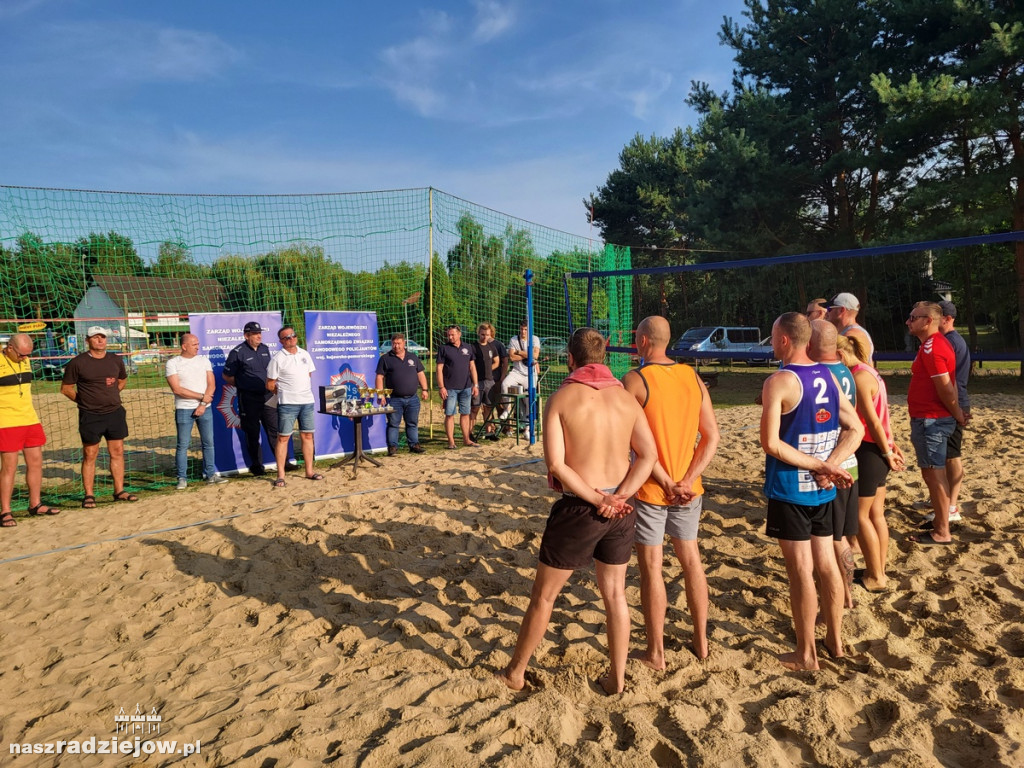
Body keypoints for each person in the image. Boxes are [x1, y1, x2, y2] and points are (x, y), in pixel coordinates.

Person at [495, 327, 658, 695]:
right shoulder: (626, 399)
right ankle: (616, 678)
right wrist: (620, 497)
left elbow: (557, 465)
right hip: (621, 506)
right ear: (603, 358)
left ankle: (515, 673)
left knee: (545, 596)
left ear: (570, 358)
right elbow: (648, 456)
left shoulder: (562, 398)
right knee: (615, 595)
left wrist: (599, 500)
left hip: (582, 507)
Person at [759, 312, 863, 670]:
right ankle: (834, 640)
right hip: (823, 490)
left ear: (785, 340)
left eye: (773, 337)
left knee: (802, 570)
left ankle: (806, 654)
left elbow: (770, 444)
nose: (771, 344)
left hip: (792, 488)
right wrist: (831, 464)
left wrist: (822, 466)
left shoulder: (780, 381)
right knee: (826, 563)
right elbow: (856, 430)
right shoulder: (829, 376)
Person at [622, 316, 720, 665]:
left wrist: (665, 481)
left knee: (651, 567)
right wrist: (687, 479)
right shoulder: (691, 377)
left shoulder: (634, 380)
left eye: (636, 337)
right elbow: (711, 436)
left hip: (652, 488)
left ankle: (656, 652)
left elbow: (632, 443)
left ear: (644, 342)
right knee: (691, 560)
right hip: (688, 489)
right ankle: (701, 642)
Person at [842, 333, 906, 593]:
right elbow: (884, 415)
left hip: (870, 451)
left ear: (841, 355)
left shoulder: (858, 377)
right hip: (879, 449)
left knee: (860, 516)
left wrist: (887, 450)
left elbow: (872, 420)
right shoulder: (871, 371)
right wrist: (891, 445)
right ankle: (878, 568)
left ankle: (876, 576)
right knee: (877, 514)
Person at [905, 302, 968, 546]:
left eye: (913, 317)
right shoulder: (933, 344)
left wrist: (957, 413)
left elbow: (945, 387)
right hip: (931, 418)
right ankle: (941, 522)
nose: (908, 321)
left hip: (931, 419)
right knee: (934, 472)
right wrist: (957, 413)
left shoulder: (933, 347)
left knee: (934, 474)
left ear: (928, 320)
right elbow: (949, 384)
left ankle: (942, 531)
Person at [808, 320, 860, 609]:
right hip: (849, 461)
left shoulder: (820, 375)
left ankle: (842, 599)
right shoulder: (845, 372)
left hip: (832, 465)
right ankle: (847, 596)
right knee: (840, 537)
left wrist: (826, 466)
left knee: (829, 541)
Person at [60, 326, 137, 507]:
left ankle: (119, 490)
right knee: (90, 454)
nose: (100, 340)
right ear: (88, 340)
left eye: (103, 337)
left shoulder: (115, 360)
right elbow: (66, 389)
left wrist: (112, 395)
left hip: (114, 412)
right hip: (90, 414)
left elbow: (122, 380)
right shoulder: (78, 362)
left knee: (117, 452)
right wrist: (84, 400)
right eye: (96, 337)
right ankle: (89, 494)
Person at [1, 333, 60, 525]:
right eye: (21, 355)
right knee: (9, 468)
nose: (25, 358)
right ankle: (5, 511)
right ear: (9, 348)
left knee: (35, 463)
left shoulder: (24, 360)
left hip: (30, 419)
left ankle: (35, 504)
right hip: (6, 422)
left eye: (28, 355)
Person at [166, 334, 228, 489]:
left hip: (204, 408)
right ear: (184, 346)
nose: (197, 347)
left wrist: (203, 403)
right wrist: (202, 397)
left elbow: (211, 385)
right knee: (183, 444)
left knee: (208, 443)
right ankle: (182, 478)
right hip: (184, 408)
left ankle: (210, 474)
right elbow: (177, 389)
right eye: (194, 344)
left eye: (198, 344)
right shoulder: (173, 363)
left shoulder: (203, 361)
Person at [223, 321, 285, 476]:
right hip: (249, 398)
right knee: (252, 432)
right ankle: (257, 466)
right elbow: (227, 376)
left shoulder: (265, 348)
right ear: (246, 335)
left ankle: (283, 463)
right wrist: (244, 385)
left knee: (275, 430)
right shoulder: (237, 352)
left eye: (260, 333)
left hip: (268, 396)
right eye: (255, 334)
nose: (259, 336)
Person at [931, 300, 971, 524]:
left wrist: (956, 410)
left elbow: (949, 384)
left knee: (952, 457)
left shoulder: (951, 342)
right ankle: (941, 501)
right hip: (952, 403)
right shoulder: (947, 340)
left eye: (937, 317)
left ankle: (952, 506)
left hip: (955, 403)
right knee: (944, 457)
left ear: (946, 319)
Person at [266, 326, 322, 487]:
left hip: (306, 401)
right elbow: (270, 384)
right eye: (287, 337)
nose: (291, 338)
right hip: (288, 403)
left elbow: (308, 375)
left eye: (293, 335)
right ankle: (281, 475)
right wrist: (285, 392)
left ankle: (309, 471)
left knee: (307, 436)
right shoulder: (277, 358)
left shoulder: (305, 354)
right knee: (283, 438)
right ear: (281, 341)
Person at [375, 332, 428, 455]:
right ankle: (393, 447)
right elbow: (379, 377)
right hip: (394, 399)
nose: (396, 346)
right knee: (393, 424)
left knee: (412, 423)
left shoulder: (413, 357)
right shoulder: (385, 358)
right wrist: (380, 394)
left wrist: (425, 389)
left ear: (404, 343)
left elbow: (420, 373)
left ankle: (414, 445)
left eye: (399, 343)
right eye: (394, 343)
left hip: (413, 398)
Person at [436, 325, 479, 449]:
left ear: (459, 334)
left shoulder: (468, 347)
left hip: (466, 387)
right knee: (449, 414)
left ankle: (466, 439)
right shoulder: (443, 348)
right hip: (450, 388)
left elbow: (472, 367)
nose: (450, 337)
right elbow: (439, 369)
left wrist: (475, 385)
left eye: (452, 334)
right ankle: (451, 441)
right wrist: (441, 387)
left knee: (465, 413)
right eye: (448, 334)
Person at [500, 320, 541, 428]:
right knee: (505, 384)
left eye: (526, 330)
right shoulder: (514, 339)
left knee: (529, 398)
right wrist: (528, 354)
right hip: (517, 372)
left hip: (530, 374)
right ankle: (507, 409)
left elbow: (535, 356)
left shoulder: (534, 339)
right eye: (522, 329)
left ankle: (528, 427)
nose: (523, 332)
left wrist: (518, 352)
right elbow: (512, 357)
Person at [469, 323, 506, 440]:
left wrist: (488, 369)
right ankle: (470, 432)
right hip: (477, 381)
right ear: (479, 333)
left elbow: (497, 361)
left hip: (490, 381)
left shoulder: (492, 347)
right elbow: (470, 364)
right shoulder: (473, 347)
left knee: (488, 407)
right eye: (483, 334)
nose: (485, 337)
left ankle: (489, 432)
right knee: (474, 407)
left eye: (487, 335)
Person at [825, 292, 874, 366]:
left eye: (829, 309)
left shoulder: (852, 336)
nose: (826, 312)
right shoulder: (854, 332)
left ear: (841, 310)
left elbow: (851, 367)